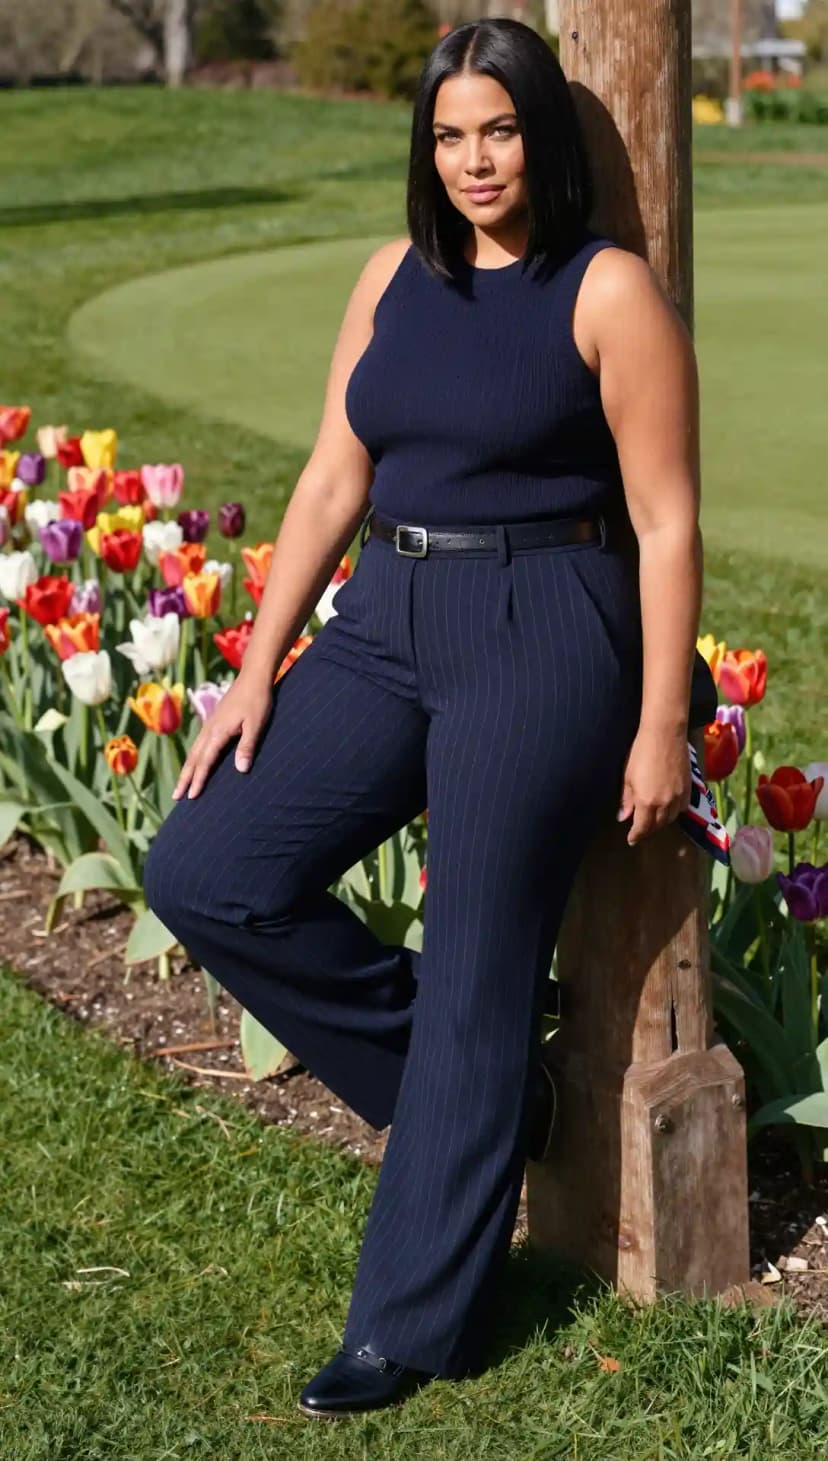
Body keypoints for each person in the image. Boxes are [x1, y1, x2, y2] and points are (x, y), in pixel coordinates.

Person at [143, 16, 716, 1421]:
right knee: (207, 868)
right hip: (385, 616)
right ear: (428, 145)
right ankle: (478, 1097)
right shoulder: (391, 274)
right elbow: (336, 474)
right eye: (452, 134)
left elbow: (664, 516)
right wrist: (260, 663)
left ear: (543, 139)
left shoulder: (608, 292)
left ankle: (412, 1322)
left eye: (501, 130)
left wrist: (659, 720)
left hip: (544, 626)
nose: (475, 159)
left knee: (477, 960)